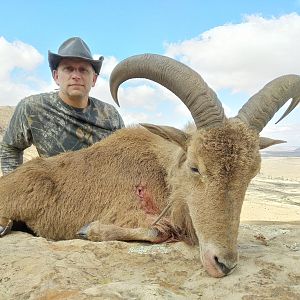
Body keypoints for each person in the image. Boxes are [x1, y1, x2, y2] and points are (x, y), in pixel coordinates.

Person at [0, 37, 125, 176]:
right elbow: (10, 148)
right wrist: (19, 190)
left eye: (83, 70)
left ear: (94, 79)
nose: (76, 76)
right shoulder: (32, 108)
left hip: (103, 192)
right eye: (68, 69)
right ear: (56, 76)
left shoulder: (110, 115)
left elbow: (125, 156)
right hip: (54, 195)